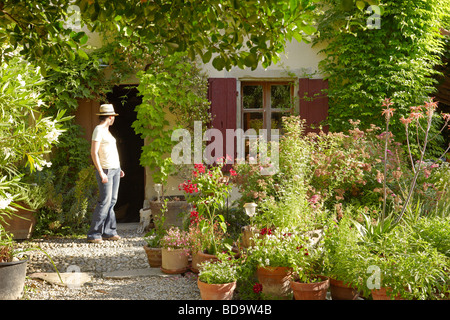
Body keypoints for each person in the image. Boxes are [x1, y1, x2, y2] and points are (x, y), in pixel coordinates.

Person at [87, 104, 125, 243]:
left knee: (112, 201)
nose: (114, 119)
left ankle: (109, 232)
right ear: (110, 117)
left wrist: (118, 168)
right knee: (105, 201)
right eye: (113, 117)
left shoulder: (108, 131)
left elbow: (111, 152)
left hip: (114, 169)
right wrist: (101, 172)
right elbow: (94, 152)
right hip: (106, 170)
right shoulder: (99, 130)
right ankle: (94, 234)